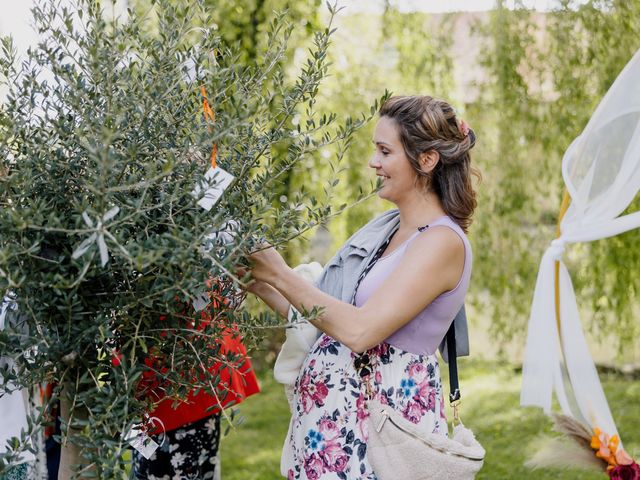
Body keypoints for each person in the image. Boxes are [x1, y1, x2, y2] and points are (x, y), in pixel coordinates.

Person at [246, 95, 479, 479]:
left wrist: (279, 273)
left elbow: (360, 331)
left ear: (426, 160)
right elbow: (330, 320)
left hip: (380, 437)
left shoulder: (442, 243)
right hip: (332, 432)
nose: (373, 163)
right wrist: (261, 283)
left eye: (385, 151)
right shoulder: (387, 229)